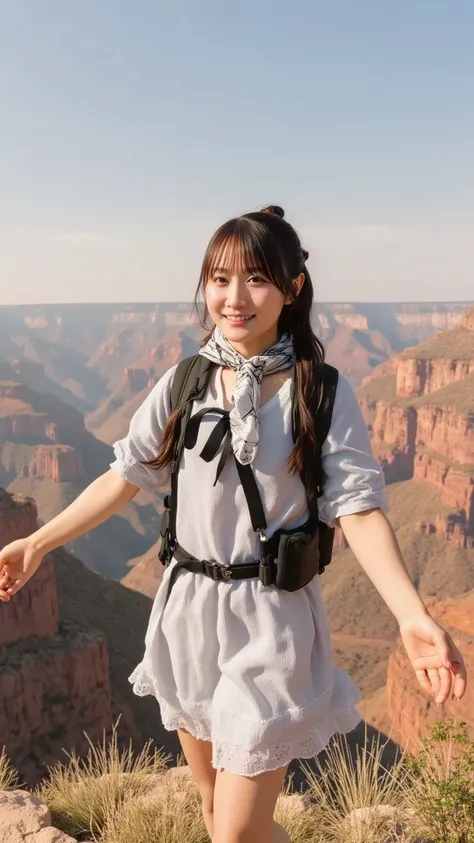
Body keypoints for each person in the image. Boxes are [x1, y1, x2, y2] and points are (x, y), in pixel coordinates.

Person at [0, 205, 467, 843]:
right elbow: (125, 476)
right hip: (189, 612)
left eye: (255, 279)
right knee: (215, 810)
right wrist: (37, 542)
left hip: (271, 618)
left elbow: (357, 507)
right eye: (219, 279)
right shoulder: (186, 380)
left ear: (292, 288)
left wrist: (411, 615)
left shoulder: (321, 392)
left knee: (237, 834)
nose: (234, 297)